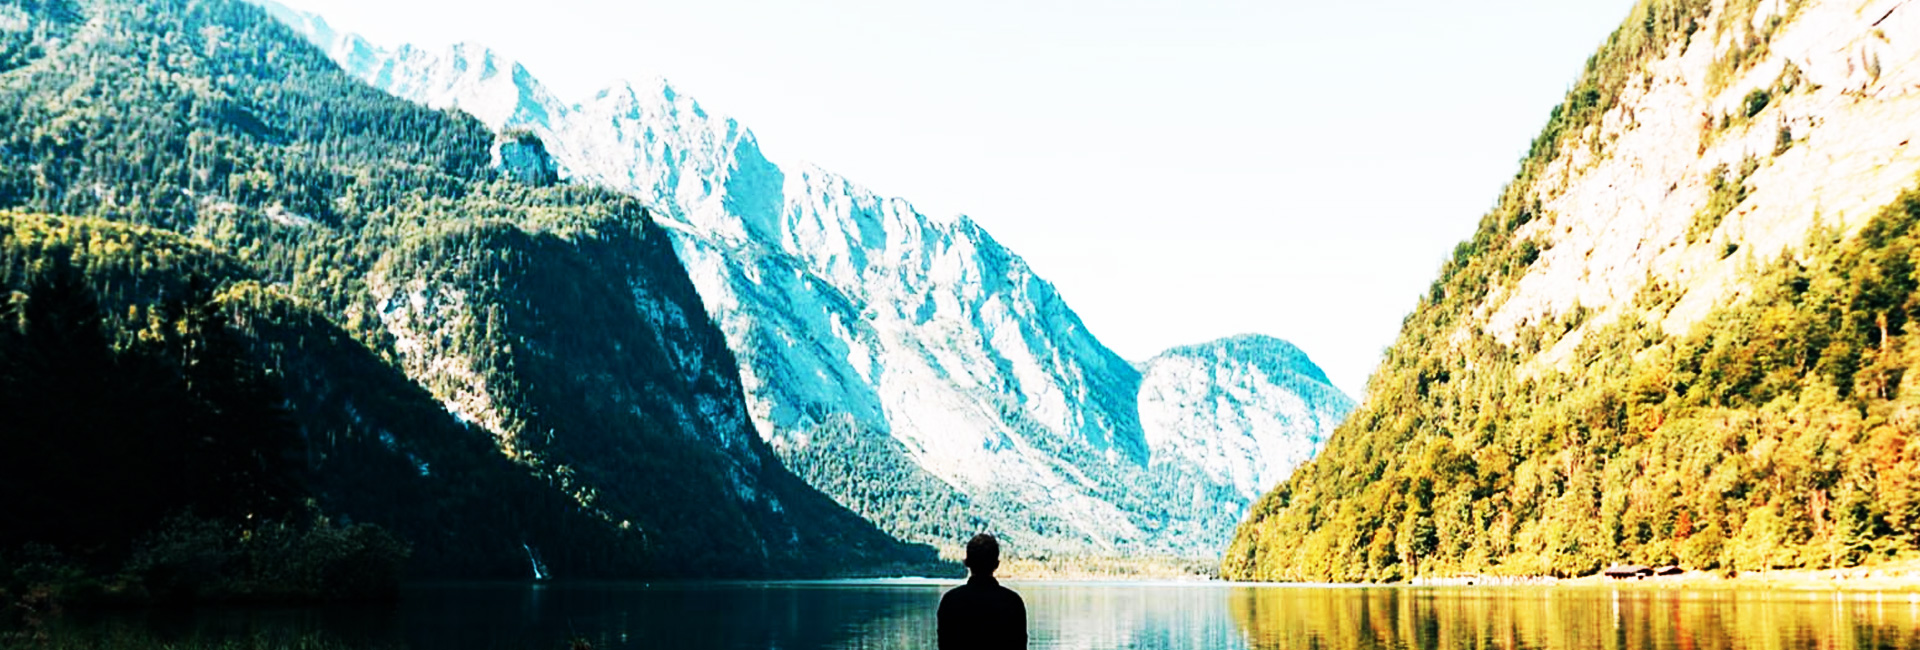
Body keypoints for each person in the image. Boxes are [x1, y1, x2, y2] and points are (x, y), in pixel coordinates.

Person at [937, 533, 1027, 649]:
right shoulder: (1013, 603)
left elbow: (944, 645)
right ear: (996, 564)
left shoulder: (950, 602)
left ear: (966, 562)